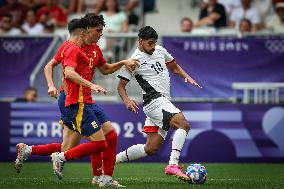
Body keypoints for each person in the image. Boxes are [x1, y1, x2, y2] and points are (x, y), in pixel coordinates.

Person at [14, 14, 138, 187]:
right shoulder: (71, 47)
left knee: (105, 137)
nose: (101, 34)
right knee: (98, 142)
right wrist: (85, 85)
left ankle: (28, 150)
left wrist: (123, 62)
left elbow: (105, 69)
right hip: (74, 99)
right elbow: (65, 71)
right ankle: (95, 175)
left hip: (84, 99)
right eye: (98, 30)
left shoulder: (94, 48)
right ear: (86, 30)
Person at [116, 26, 202, 182]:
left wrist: (187, 77)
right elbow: (120, 86)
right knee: (183, 124)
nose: (153, 46)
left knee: (150, 149)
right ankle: (173, 165)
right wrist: (127, 100)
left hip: (163, 101)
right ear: (140, 41)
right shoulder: (133, 60)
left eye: (154, 43)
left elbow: (174, 67)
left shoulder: (160, 50)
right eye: (150, 43)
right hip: (154, 100)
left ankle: (112, 160)